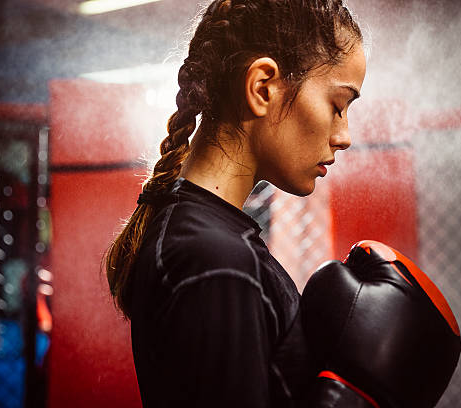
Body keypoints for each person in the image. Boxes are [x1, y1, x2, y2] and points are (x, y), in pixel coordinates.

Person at [105, 0, 367, 406]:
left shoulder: (204, 238)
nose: (344, 134)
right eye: (337, 105)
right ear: (263, 87)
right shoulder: (215, 259)